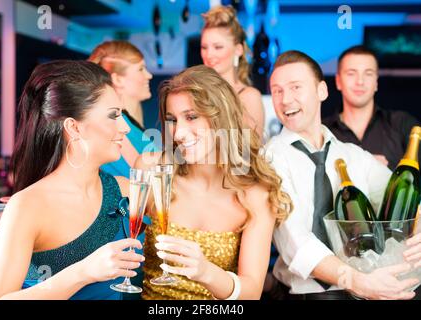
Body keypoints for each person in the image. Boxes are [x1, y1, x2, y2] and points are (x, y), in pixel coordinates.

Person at [262, 50, 421, 300]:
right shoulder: (269, 159)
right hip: (305, 296)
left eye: (295, 87)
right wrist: (357, 281)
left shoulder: (353, 155)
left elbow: (404, 197)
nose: (284, 100)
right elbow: (295, 241)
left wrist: (419, 230)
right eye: (277, 90)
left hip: (363, 292)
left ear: (322, 91)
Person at [0, 60, 145, 300]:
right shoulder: (27, 206)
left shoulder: (126, 189)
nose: (125, 127)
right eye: (113, 116)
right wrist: (84, 272)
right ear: (74, 128)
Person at [135, 65, 292, 300]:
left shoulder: (255, 193)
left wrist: (206, 272)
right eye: (172, 120)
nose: (178, 134)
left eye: (191, 117)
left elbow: (251, 293)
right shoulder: (153, 170)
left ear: (221, 117)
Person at [323, 45, 421, 170]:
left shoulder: (403, 124)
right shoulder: (321, 131)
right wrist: (362, 165)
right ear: (338, 81)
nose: (360, 81)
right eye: (351, 73)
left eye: (368, 74)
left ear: (376, 82)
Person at [88, 40, 158, 177]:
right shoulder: (119, 125)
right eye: (140, 69)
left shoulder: (130, 124)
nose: (149, 75)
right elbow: (142, 178)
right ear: (118, 79)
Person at [201, 5, 265, 140]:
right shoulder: (197, 93)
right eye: (204, 47)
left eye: (218, 47)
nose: (209, 54)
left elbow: (251, 152)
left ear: (238, 50)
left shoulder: (249, 96)